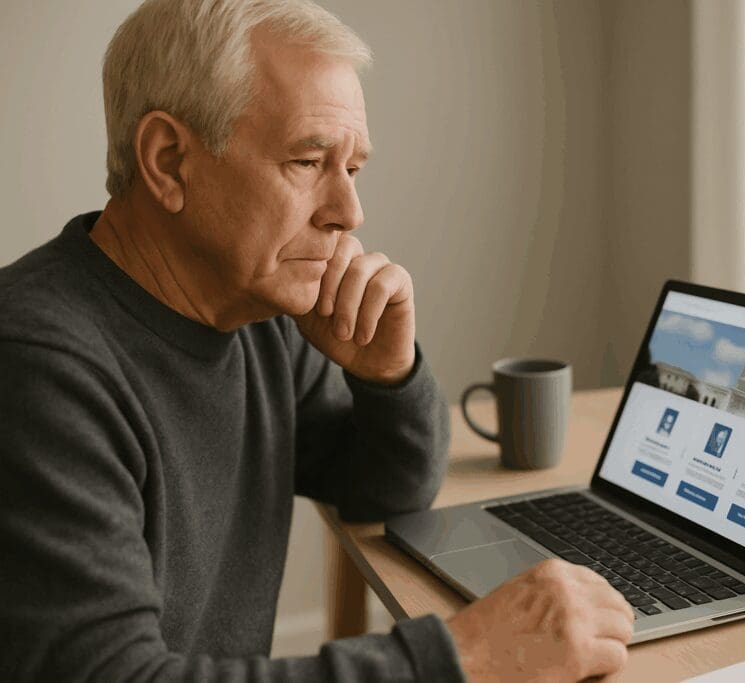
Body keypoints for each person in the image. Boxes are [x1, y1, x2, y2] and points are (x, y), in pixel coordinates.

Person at [0, 1, 633, 682]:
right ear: (169, 160)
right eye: (308, 161)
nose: (350, 212)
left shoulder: (257, 316)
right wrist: (465, 657)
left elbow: (385, 491)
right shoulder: (39, 364)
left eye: (352, 169)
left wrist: (387, 376)